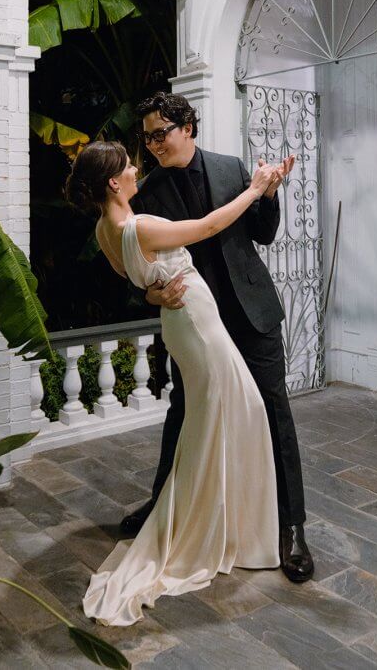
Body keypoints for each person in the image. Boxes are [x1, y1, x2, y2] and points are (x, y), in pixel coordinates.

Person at [67, 140, 283, 625]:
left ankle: (217, 515)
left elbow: (133, 277)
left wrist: (150, 290)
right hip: (197, 328)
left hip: (182, 323)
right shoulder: (138, 224)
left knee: (212, 421)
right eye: (128, 166)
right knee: (237, 412)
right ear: (113, 182)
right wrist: (254, 191)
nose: (136, 168)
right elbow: (206, 228)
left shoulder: (106, 228)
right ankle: (212, 526)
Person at [122, 92, 313, 584]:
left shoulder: (230, 168)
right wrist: (150, 299)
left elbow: (264, 234)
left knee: (276, 414)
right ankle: (159, 508)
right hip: (196, 326)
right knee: (183, 414)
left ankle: (292, 529)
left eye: (160, 132)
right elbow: (132, 269)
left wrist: (268, 194)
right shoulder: (145, 193)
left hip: (252, 315)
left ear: (188, 127)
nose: (153, 143)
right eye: (146, 137)